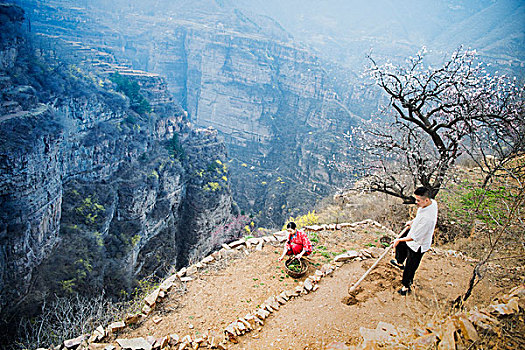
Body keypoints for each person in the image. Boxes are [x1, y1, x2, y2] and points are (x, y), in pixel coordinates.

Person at [391, 187, 438, 295]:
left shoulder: (427, 219)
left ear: (426, 200)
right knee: (401, 246)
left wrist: (398, 239)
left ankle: (406, 287)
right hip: (415, 231)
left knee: (410, 266)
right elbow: (420, 217)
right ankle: (399, 262)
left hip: (418, 245)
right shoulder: (432, 203)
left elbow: (415, 237)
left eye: (418, 200)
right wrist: (413, 222)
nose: (416, 202)